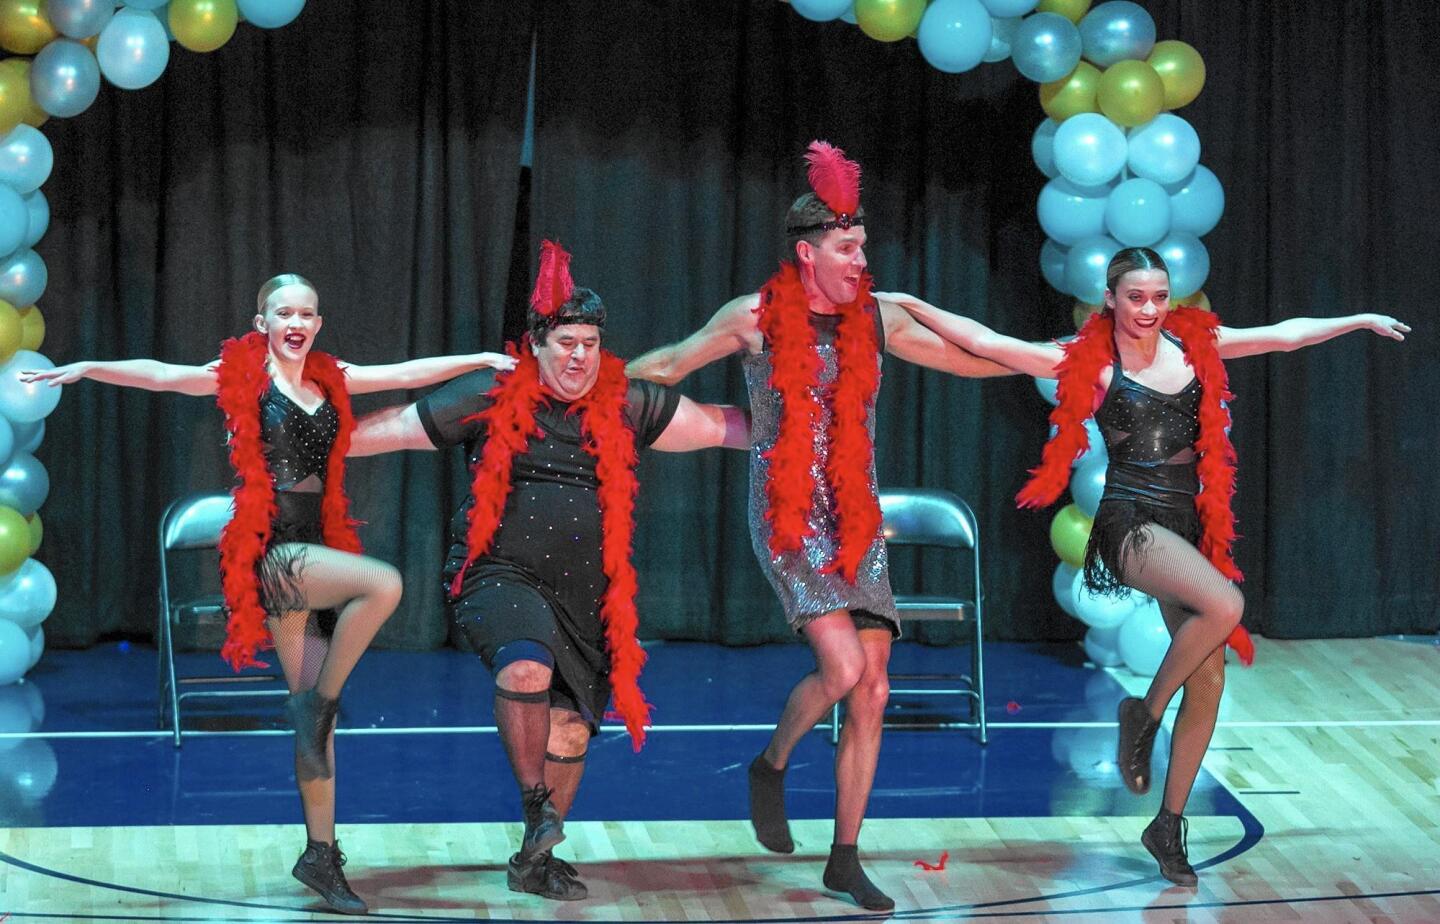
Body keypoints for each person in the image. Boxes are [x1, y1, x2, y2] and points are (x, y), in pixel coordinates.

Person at [892, 245, 1408, 885]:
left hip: (1184, 524)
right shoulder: (1090, 362)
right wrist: (911, 303)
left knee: (1211, 677)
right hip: (1129, 522)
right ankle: (1142, 712)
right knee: (1226, 606)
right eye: (1136, 297)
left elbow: (1282, 337)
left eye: (1160, 297)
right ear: (1111, 298)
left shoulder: (1195, 348)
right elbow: (986, 342)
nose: (1149, 309)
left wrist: (1356, 320)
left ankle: (1167, 824)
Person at [24, 273, 515, 914]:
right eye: (283, 311)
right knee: (383, 585)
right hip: (271, 553)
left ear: (317, 324)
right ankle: (322, 705)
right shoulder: (242, 376)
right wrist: (87, 367)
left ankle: (320, 854)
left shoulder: (331, 379)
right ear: (262, 321)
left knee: (315, 718)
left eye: (306, 313)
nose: (295, 322)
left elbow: (404, 373)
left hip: (315, 548)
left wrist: (480, 359)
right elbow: (162, 375)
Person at [625, 141, 1013, 912]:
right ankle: (771, 765)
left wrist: (1056, 368)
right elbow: (668, 366)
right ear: (808, 254)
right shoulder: (756, 318)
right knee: (841, 672)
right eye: (847, 248)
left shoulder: (878, 319)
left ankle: (844, 855)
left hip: (857, 518)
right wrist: (579, 384)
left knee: (873, 689)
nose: (860, 259)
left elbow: (969, 358)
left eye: (863, 245)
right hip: (787, 514)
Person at [348, 241, 749, 902]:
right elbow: (395, 428)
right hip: (497, 575)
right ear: (535, 344)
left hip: (586, 595)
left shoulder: (626, 402)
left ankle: (533, 861)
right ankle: (538, 807)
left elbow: (713, 426)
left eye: (590, 343)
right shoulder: (489, 394)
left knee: (567, 727)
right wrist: (310, 442)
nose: (579, 356)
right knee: (526, 667)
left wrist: (805, 425)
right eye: (566, 341)